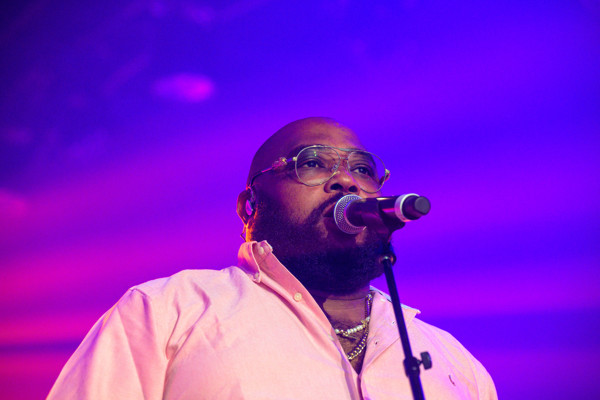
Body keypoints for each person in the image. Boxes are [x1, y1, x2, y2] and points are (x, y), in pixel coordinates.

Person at [47, 117, 497, 399]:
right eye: (312, 163)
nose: (346, 181)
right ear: (251, 206)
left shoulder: (451, 359)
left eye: (362, 169)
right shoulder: (167, 310)